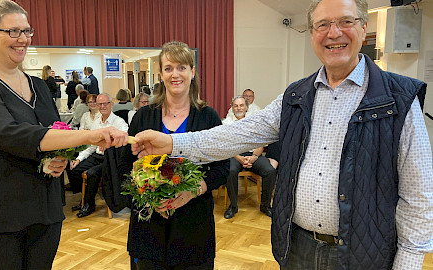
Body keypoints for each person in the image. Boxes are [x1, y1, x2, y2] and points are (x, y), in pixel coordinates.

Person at [131, 0, 433, 269]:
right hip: (297, 248)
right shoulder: (295, 96)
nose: (333, 33)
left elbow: (418, 196)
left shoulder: (398, 98)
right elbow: (237, 135)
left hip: (362, 254)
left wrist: (408, 261)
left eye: (345, 21)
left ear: (364, 26)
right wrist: (173, 142)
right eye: (322, 24)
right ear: (312, 33)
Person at [0, 1, 128, 269]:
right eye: (13, 31)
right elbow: (11, 134)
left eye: (27, 31)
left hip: (43, 212)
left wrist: (59, 158)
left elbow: (58, 132)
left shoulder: (38, 86)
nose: (23, 39)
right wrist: (90, 136)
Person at [121, 41, 229, 269]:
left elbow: (222, 170)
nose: (175, 74)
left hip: (193, 226)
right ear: (160, 74)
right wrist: (140, 181)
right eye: (168, 68)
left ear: (192, 71)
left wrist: (194, 189)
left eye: (182, 67)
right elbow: (125, 165)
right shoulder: (143, 117)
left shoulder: (209, 118)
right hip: (148, 227)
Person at [68, 93, 128, 217]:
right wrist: (79, 159)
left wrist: (109, 144)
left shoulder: (119, 122)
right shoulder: (96, 123)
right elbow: (91, 146)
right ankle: (84, 199)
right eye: (100, 104)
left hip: (110, 159)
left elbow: (124, 141)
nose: (102, 106)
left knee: (91, 174)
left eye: (105, 103)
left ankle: (89, 205)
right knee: (74, 169)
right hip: (96, 156)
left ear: (111, 104)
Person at [222, 96, 277, 219]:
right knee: (230, 170)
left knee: (270, 171)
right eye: (236, 105)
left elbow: (260, 144)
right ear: (232, 108)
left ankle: (265, 205)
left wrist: (254, 156)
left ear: (246, 107)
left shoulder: (255, 123)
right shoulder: (225, 124)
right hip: (234, 155)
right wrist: (238, 157)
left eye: (241, 105)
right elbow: (225, 146)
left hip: (253, 155)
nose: (239, 108)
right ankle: (233, 206)